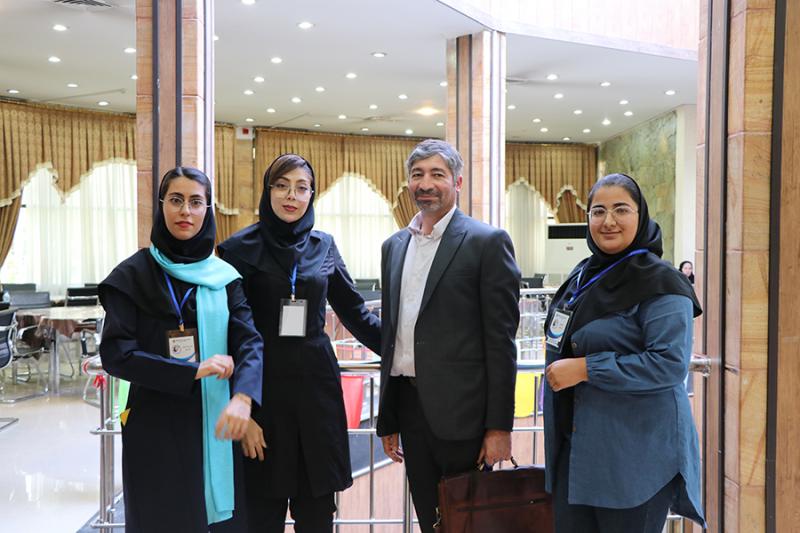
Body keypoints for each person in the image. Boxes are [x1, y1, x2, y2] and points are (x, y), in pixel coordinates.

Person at [218, 154, 381, 533]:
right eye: (282, 185)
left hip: (316, 400)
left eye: (301, 187)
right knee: (261, 516)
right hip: (263, 397)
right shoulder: (237, 250)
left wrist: (407, 350)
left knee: (318, 514)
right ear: (268, 191)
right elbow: (231, 333)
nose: (291, 195)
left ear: (312, 194)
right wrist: (246, 412)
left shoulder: (324, 246)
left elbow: (356, 313)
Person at [99, 166, 263, 532]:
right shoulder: (132, 275)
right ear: (161, 206)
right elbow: (116, 354)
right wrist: (192, 370)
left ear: (207, 210)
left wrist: (244, 397)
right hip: (156, 426)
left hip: (217, 423)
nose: (185, 211)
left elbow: (249, 341)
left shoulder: (224, 277)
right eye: (176, 200)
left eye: (196, 202)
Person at [542, 173, 704, 532]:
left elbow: (668, 364)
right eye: (598, 211)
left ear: (640, 215)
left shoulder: (662, 282)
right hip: (577, 453)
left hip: (633, 459)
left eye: (621, 209)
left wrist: (587, 368)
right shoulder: (584, 274)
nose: (608, 221)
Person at [376, 139, 521, 533]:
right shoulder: (394, 246)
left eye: (437, 174)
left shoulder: (486, 242)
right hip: (409, 408)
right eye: (417, 174)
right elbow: (394, 337)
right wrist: (389, 417)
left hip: (465, 417)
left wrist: (499, 427)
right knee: (431, 520)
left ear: (457, 182)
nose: (426, 183)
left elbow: (501, 343)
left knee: (469, 524)